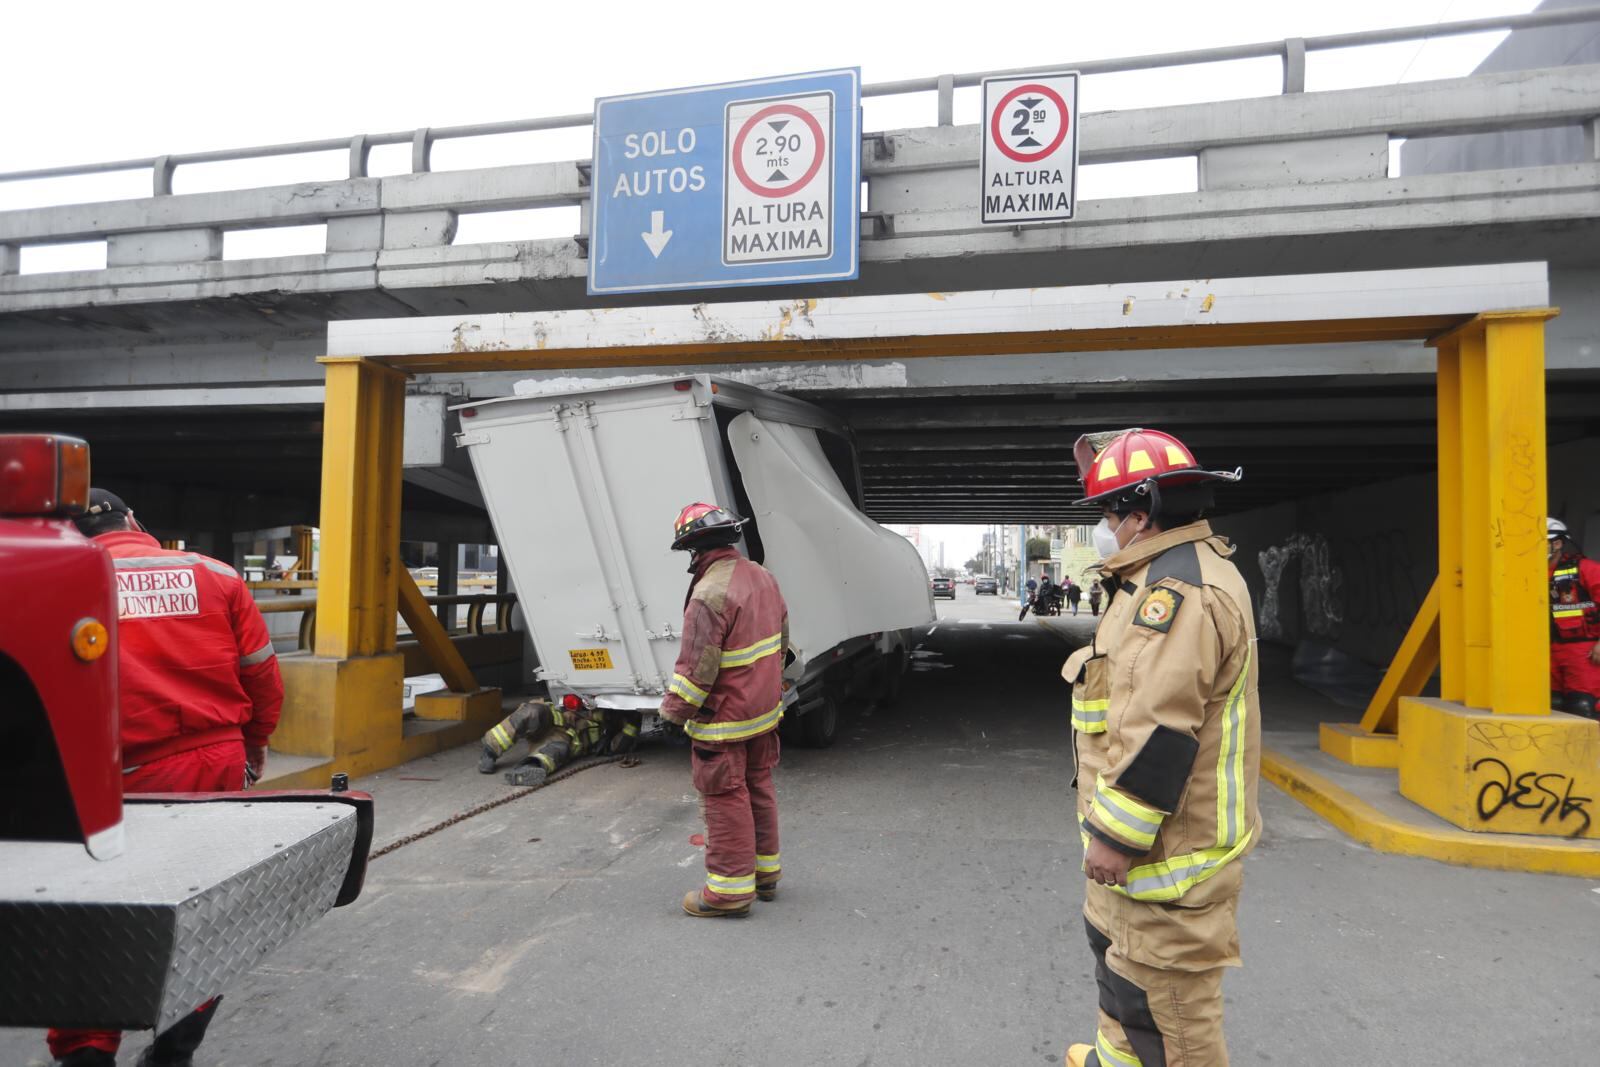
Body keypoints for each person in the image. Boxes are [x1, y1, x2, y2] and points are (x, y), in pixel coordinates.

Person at [53, 489, 282, 1067]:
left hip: (97, 778)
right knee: (206, 916)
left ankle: (85, 1050)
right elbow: (262, 678)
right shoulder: (215, 575)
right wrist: (252, 748)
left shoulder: (50, 581)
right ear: (135, 521)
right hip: (209, 765)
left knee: (88, 919)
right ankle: (175, 1048)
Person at [1059, 429, 1258, 1067]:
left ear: (1140, 515)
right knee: (1126, 986)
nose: (1103, 527)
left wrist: (1115, 837)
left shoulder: (1178, 594)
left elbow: (1161, 728)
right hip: (1144, 857)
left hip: (1166, 858)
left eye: (1107, 513)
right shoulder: (1153, 578)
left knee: (1170, 1018)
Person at [656, 502, 788, 918]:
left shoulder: (709, 593)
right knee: (759, 788)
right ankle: (765, 876)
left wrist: (672, 715)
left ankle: (729, 892)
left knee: (725, 797)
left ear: (693, 549)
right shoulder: (763, 577)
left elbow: (696, 669)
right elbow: (782, 643)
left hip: (723, 722)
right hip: (763, 712)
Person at [476, 696, 642, 783]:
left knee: (556, 751)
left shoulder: (619, 726)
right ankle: (490, 752)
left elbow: (618, 746)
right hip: (552, 718)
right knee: (531, 712)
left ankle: (528, 769)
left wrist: (630, 727)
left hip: (567, 737)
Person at [1548, 517, 1600, 721]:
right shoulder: (1527, 574)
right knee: (1553, 707)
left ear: (1558, 543)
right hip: (1546, 651)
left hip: (1583, 651)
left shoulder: (1585, 568)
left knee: (1583, 706)